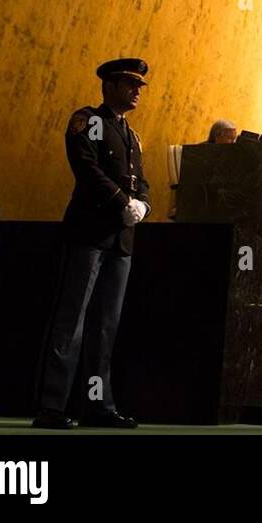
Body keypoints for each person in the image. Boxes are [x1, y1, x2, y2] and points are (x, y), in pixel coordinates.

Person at [34, 58, 151, 430]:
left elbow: (141, 180)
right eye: (129, 84)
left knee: (105, 327)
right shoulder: (89, 121)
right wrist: (122, 202)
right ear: (109, 86)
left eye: (138, 86)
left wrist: (143, 205)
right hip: (90, 233)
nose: (136, 92)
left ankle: (98, 405)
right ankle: (52, 407)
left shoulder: (132, 134)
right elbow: (86, 169)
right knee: (73, 322)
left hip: (120, 240)